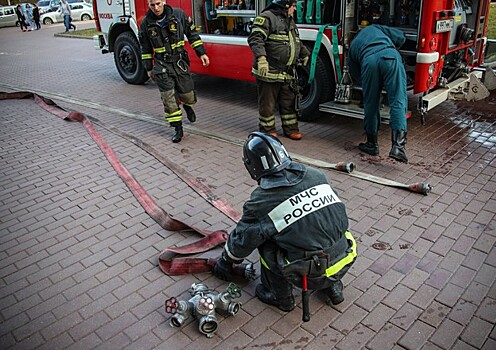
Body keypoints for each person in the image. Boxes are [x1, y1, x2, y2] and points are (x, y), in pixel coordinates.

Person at [213, 132, 357, 314]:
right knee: (321, 231)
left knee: (264, 241)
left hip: (309, 270)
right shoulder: (316, 175)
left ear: (252, 166)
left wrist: (225, 261)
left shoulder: (262, 200)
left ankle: (280, 297)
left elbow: (244, 238)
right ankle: (333, 286)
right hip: (345, 255)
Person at [138, 0, 210, 143]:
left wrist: (201, 53)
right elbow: (145, 48)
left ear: (164, 1)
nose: (156, 8)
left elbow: (192, 35)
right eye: (152, 5)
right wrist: (148, 68)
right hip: (162, 65)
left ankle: (188, 106)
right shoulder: (146, 23)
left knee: (188, 95)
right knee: (168, 98)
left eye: (158, 3)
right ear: (148, 4)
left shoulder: (178, 15)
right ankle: (178, 128)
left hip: (179, 62)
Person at [247, 0, 310, 141]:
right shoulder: (267, 17)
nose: (295, 9)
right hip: (269, 71)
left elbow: (295, 40)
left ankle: (291, 129)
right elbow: (255, 39)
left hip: (287, 73)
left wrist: (304, 53)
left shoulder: (289, 20)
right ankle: (267, 130)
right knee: (267, 103)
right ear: (285, 5)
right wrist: (262, 59)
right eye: (293, 6)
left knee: (289, 102)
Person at [348, 24, 409, 163]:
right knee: (398, 100)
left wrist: (370, 86)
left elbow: (355, 74)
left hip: (368, 62)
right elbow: (400, 37)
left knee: (371, 103)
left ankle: (372, 144)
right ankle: (398, 147)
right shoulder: (375, 28)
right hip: (390, 57)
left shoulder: (353, 46)